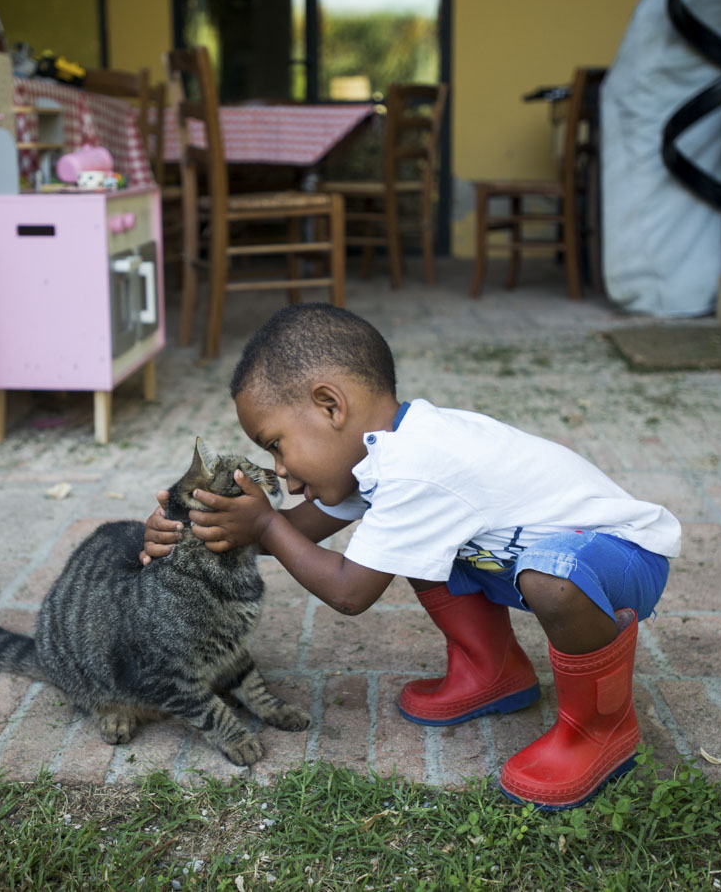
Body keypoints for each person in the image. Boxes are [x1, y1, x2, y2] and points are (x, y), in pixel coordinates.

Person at [141, 304, 681, 808]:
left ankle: (600, 728)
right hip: (544, 559)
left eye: (276, 443)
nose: (278, 469)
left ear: (331, 406)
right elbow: (286, 534)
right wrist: (193, 530)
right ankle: (492, 672)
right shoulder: (382, 453)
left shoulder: (421, 465)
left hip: (624, 554)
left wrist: (260, 522)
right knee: (417, 548)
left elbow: (349, 592)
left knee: (551, 581)